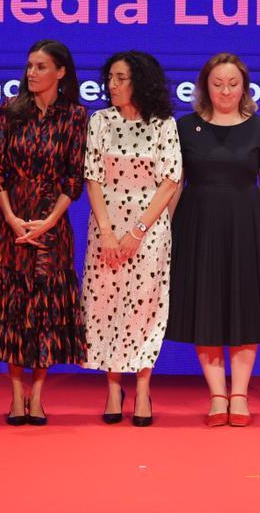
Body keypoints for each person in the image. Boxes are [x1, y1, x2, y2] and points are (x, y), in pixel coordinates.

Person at [167, 53, 260, 427]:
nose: (226, 91)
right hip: (197, 227)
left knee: (245, 309)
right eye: (218, 84)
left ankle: (240, 396)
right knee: (207, 309)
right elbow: (174, 186)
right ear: (205, 87)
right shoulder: (184, 127)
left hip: (247, 227)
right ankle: (218, 395)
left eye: (233, 84)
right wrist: (165, 232)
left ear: (244, 87)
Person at [0, 39, 87, 426]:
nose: (32, 73)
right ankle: (14, 396)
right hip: (10, 222)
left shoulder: (75, 116)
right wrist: (9, 216)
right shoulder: (10, 110)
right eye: (29, 66)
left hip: (53, 224)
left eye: (41, 67)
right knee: (12, 306)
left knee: (45, 309)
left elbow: (74, 177)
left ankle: (37, 396)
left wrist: (51, 220)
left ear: (61, 71)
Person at [81, 51, 181, 427]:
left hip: (149, 229)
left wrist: (138, 230)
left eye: (120, 78)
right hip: (106, 226)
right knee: (105, 303)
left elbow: (170, 180)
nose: (112, 85)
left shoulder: (164, 125)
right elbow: (92, 176)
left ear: (140, 81)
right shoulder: (100, 121)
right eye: (110, 78)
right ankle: (112, 386)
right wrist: (108, 232)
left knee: (143, 307)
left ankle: (142, 387)